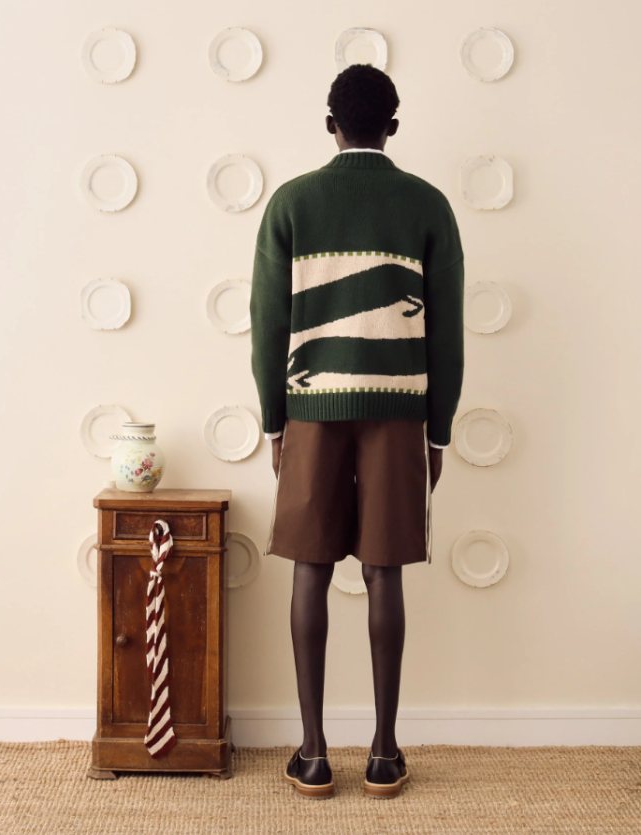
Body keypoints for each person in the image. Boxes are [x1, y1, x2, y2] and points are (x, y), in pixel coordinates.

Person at [249, 64, 464, 799]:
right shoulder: (427, 204)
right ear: (393, 127)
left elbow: (268, 324)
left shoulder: (292, 202)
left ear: (330, 124)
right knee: (384, 572)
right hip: (400, 413)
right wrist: (438, 432)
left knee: (310, 569)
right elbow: (447, 333)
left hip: (311, 410)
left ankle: (312, 754)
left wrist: (274, 420)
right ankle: (384, 753)